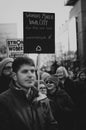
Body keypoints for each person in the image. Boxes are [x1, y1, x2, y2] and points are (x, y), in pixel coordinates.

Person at [0, 56, 58, 130]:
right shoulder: (3, 101)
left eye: (32, 71)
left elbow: (52, 124)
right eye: (25, 71)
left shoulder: (42, 99)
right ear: (15, 76)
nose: (30, 75)